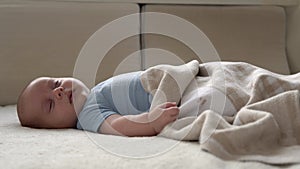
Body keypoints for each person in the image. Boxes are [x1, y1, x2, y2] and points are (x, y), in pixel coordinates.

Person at [17, 71, 180, 137]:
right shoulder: (87, 115)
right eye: (50, 105)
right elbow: (117, 125)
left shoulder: (93, 95)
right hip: (168, 98)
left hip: (167, 80)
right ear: (52, 128)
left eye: (55, 83)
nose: (58, 91)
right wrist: (151, 121)